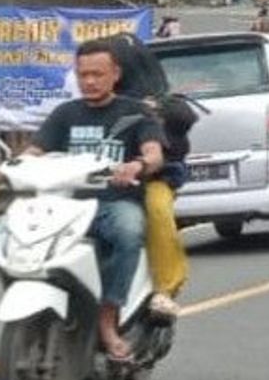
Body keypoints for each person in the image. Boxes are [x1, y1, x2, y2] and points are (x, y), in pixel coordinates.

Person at [20, 39, 166, 361]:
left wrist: (137, 165)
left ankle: (107, 318)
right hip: (66, 207)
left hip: (114, 204)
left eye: (97, 74)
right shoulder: (65, 113)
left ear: (115, 74)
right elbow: (35, 151)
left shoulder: (135, 112)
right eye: (83, 74)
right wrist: (5, 169)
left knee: (129, 231)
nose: (89, 81)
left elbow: (154, 154)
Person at [106, 33, 197, 321]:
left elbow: (184, 117)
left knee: (157, 210)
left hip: (150, 181)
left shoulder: (161, 104)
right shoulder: (92, 105)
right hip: (102, 184)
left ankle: (164, 290)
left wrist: (157, 109)